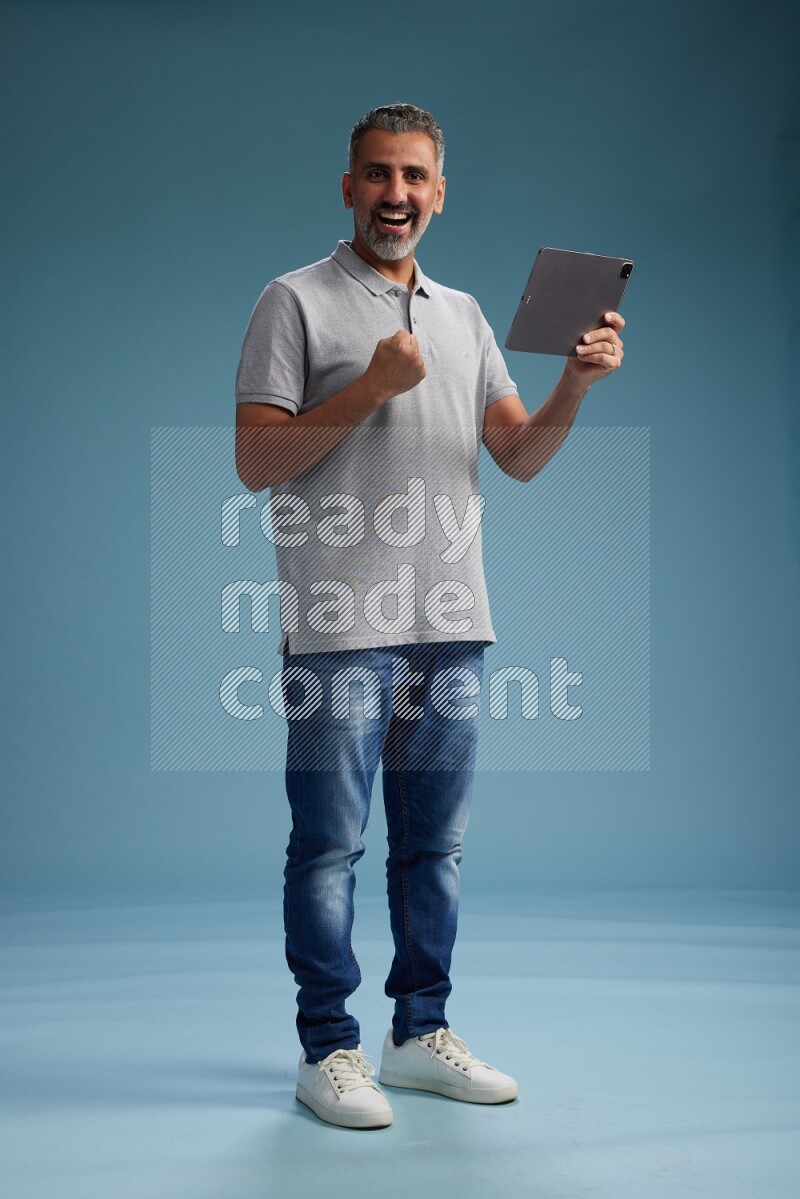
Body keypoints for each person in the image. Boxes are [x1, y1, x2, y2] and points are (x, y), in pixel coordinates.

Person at [235, 102, 625, 1130]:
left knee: (433, 847)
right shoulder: (295, 301)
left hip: (451, 618)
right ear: (347, 186)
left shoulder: (461, 315)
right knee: (328, 845)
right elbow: (253, 460)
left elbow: (517, 454)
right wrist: (368, 385)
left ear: (438, 192)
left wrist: (573, 386)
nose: (393, 194)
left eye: (412, 176)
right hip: (337, 622)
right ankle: (330, 1048)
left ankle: (416, 1032)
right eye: (375, 174)